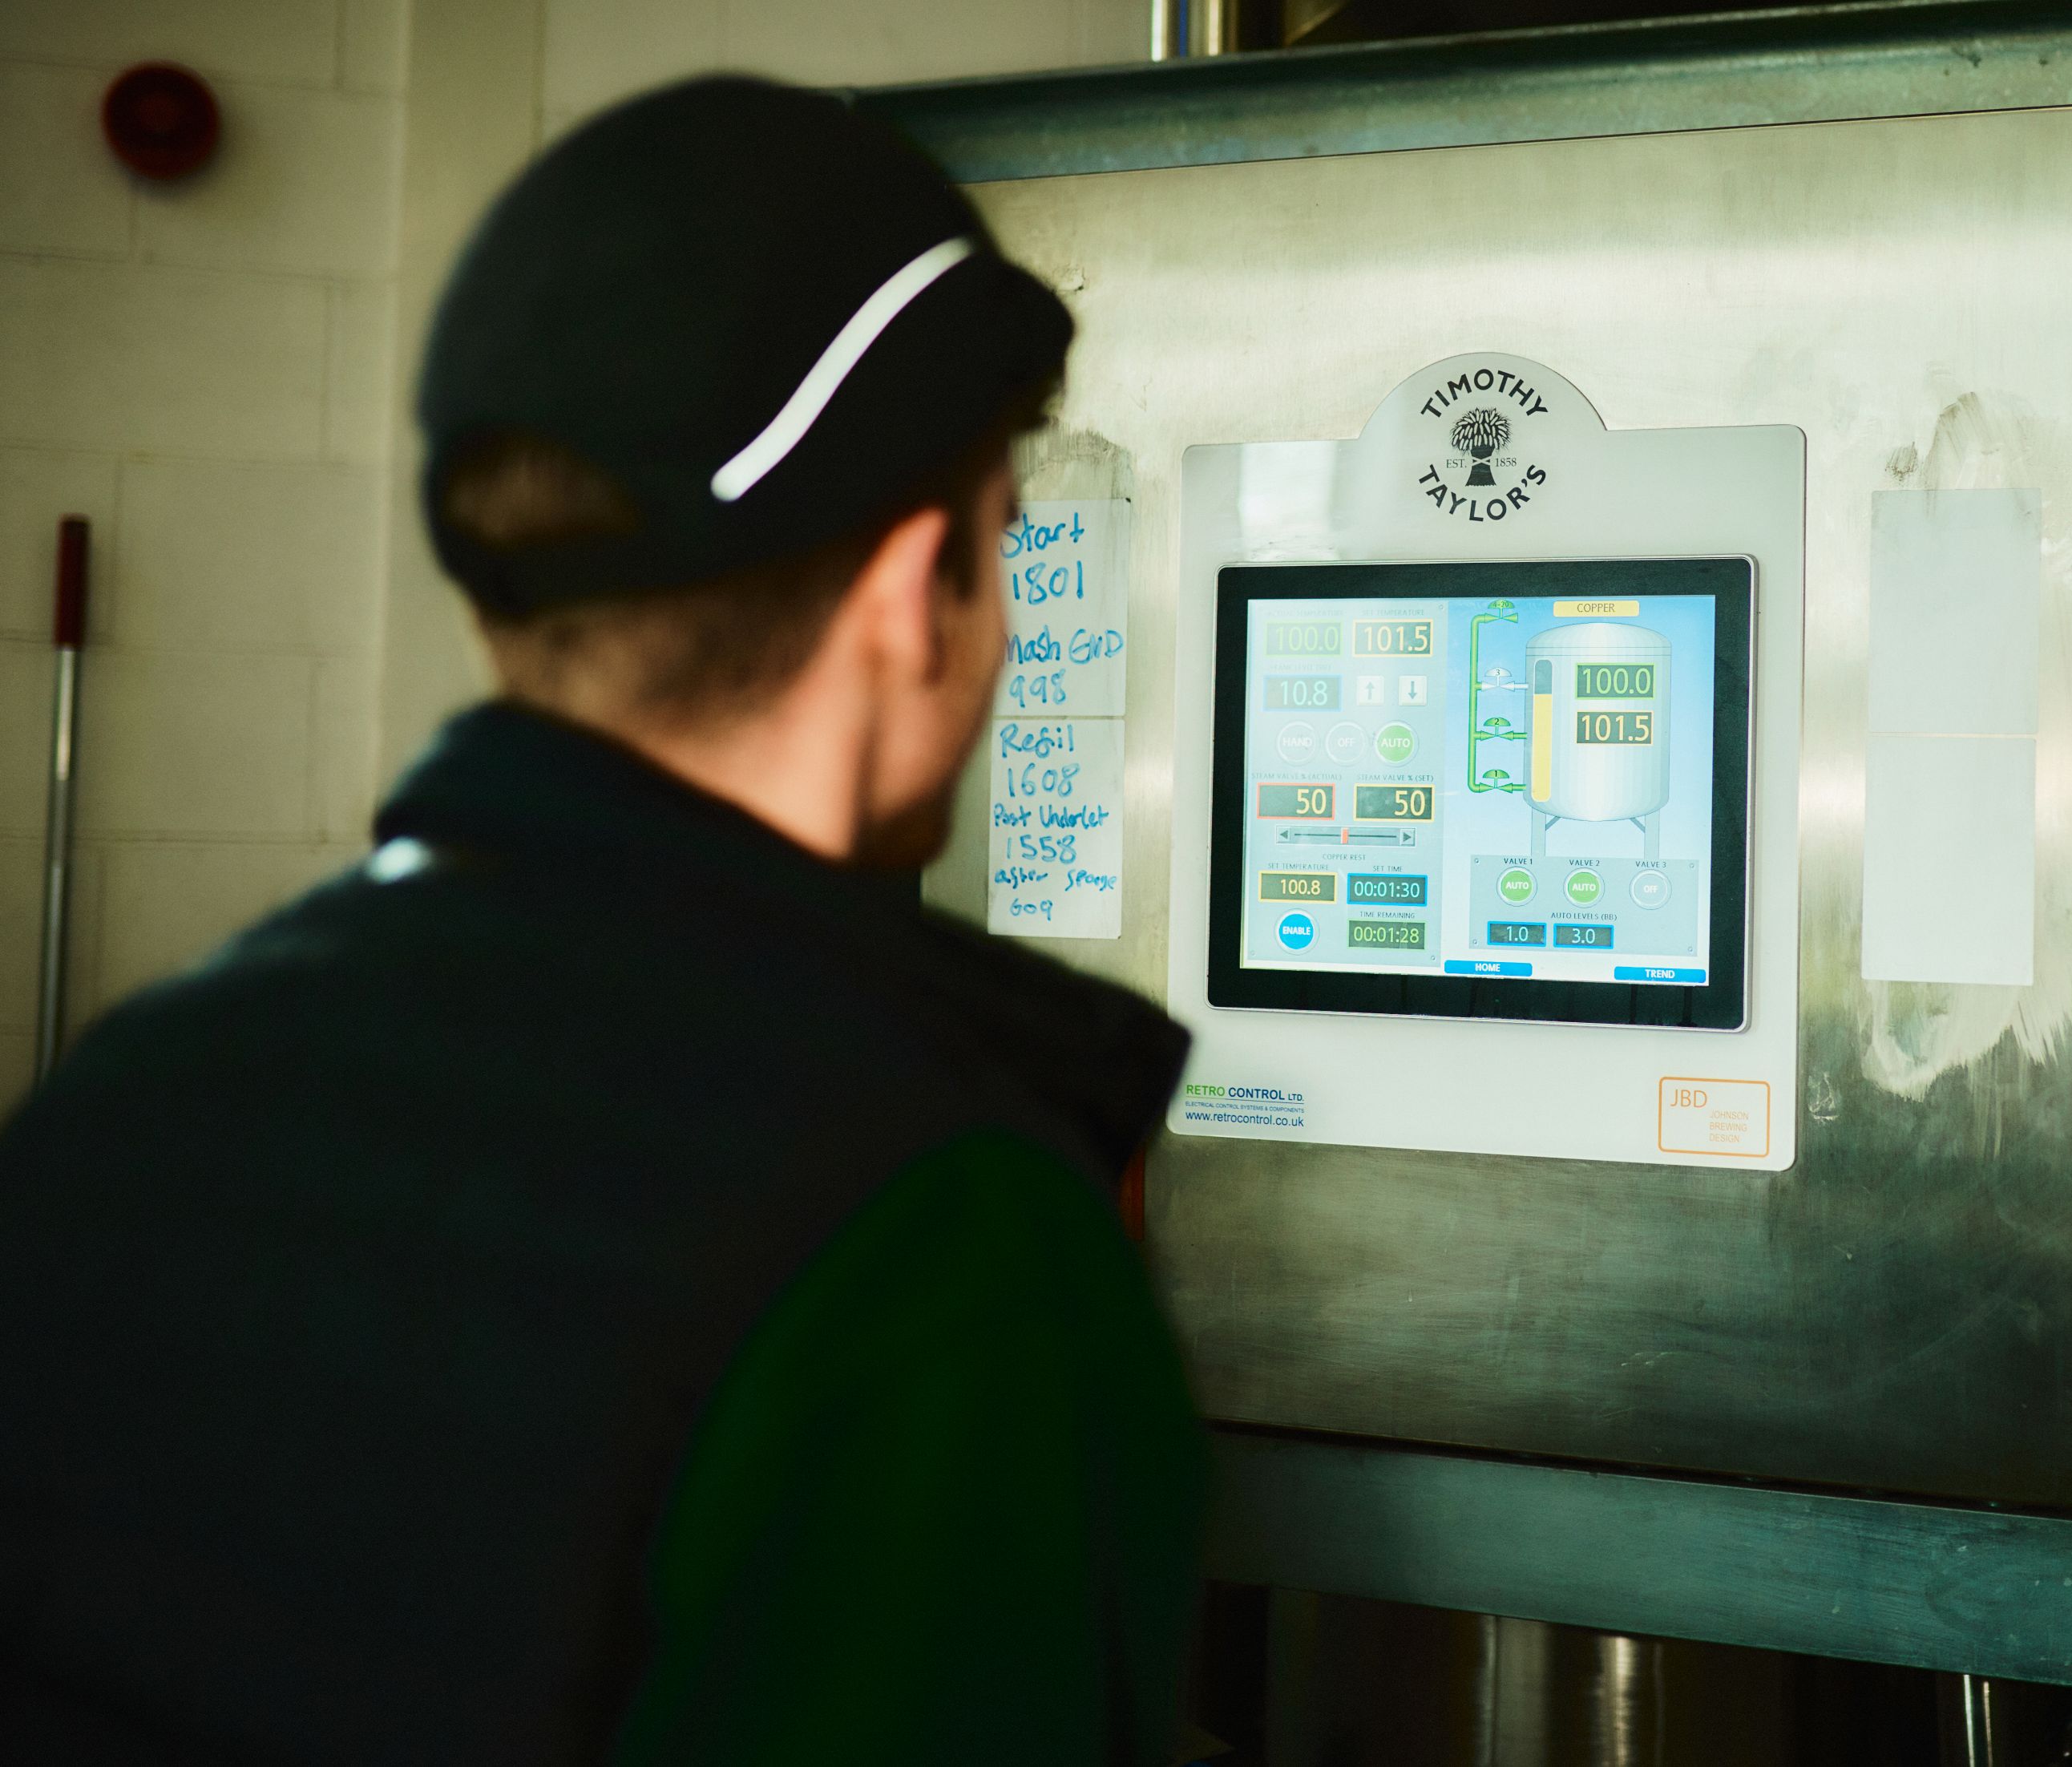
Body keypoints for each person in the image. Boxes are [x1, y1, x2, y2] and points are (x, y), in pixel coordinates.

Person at [0, 77, 1203, 1764]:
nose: (1003, 628)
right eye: (999, 546)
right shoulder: (943, 1246)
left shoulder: (126, 1090)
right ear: (900, 594)